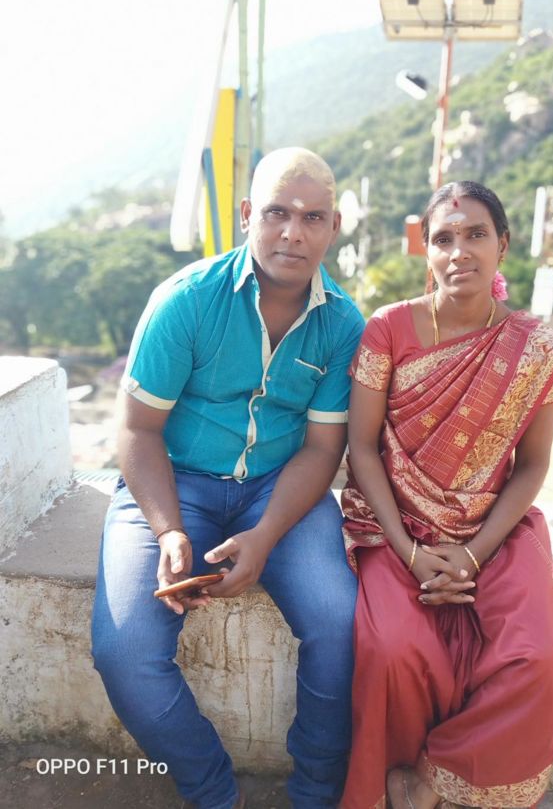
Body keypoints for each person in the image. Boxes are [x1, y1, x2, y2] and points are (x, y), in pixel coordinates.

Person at [91, 147, 365, 809]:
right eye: (276, 212)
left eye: (313, 217)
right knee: (125, 650)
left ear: (333, 228)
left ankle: (315, 792)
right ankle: (214, 793)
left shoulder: (342, 324)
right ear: (247, 215)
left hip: (281, 488)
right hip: (173, 481)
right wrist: (169, 531)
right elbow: (137, 430)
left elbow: (323, 448)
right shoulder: (186, 300)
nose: (292, 232)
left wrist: (265, 536)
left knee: (341, 625)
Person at [339, 181, 553, 809]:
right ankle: (386, 782)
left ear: (502, 245)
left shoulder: (533, 349)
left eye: (476, 234)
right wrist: (409, 552)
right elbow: (361, 449)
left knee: (544, 656)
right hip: (395, 526)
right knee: (393, 649)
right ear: (426, 251)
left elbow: (533, 466)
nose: (459, 252)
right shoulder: (388, 329)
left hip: (494, 530)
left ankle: (428, 780)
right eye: (444, 238)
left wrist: (474, 554)